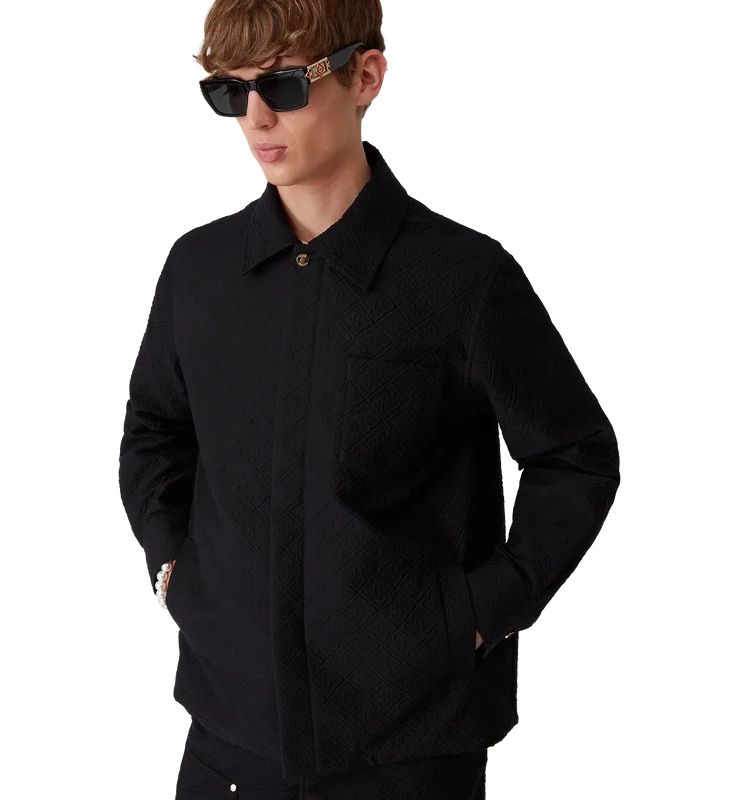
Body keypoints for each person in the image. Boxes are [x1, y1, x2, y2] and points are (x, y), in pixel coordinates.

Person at [118, 1, 621, 797]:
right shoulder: (199, 272)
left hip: (408, 753)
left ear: (367, 76)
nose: (254, 120)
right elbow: (154, 428)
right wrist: (178, 563)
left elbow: (575, 457)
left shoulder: (463, 280)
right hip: (229, 746)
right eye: (228, 92)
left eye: (282, 86)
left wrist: (476, 615)